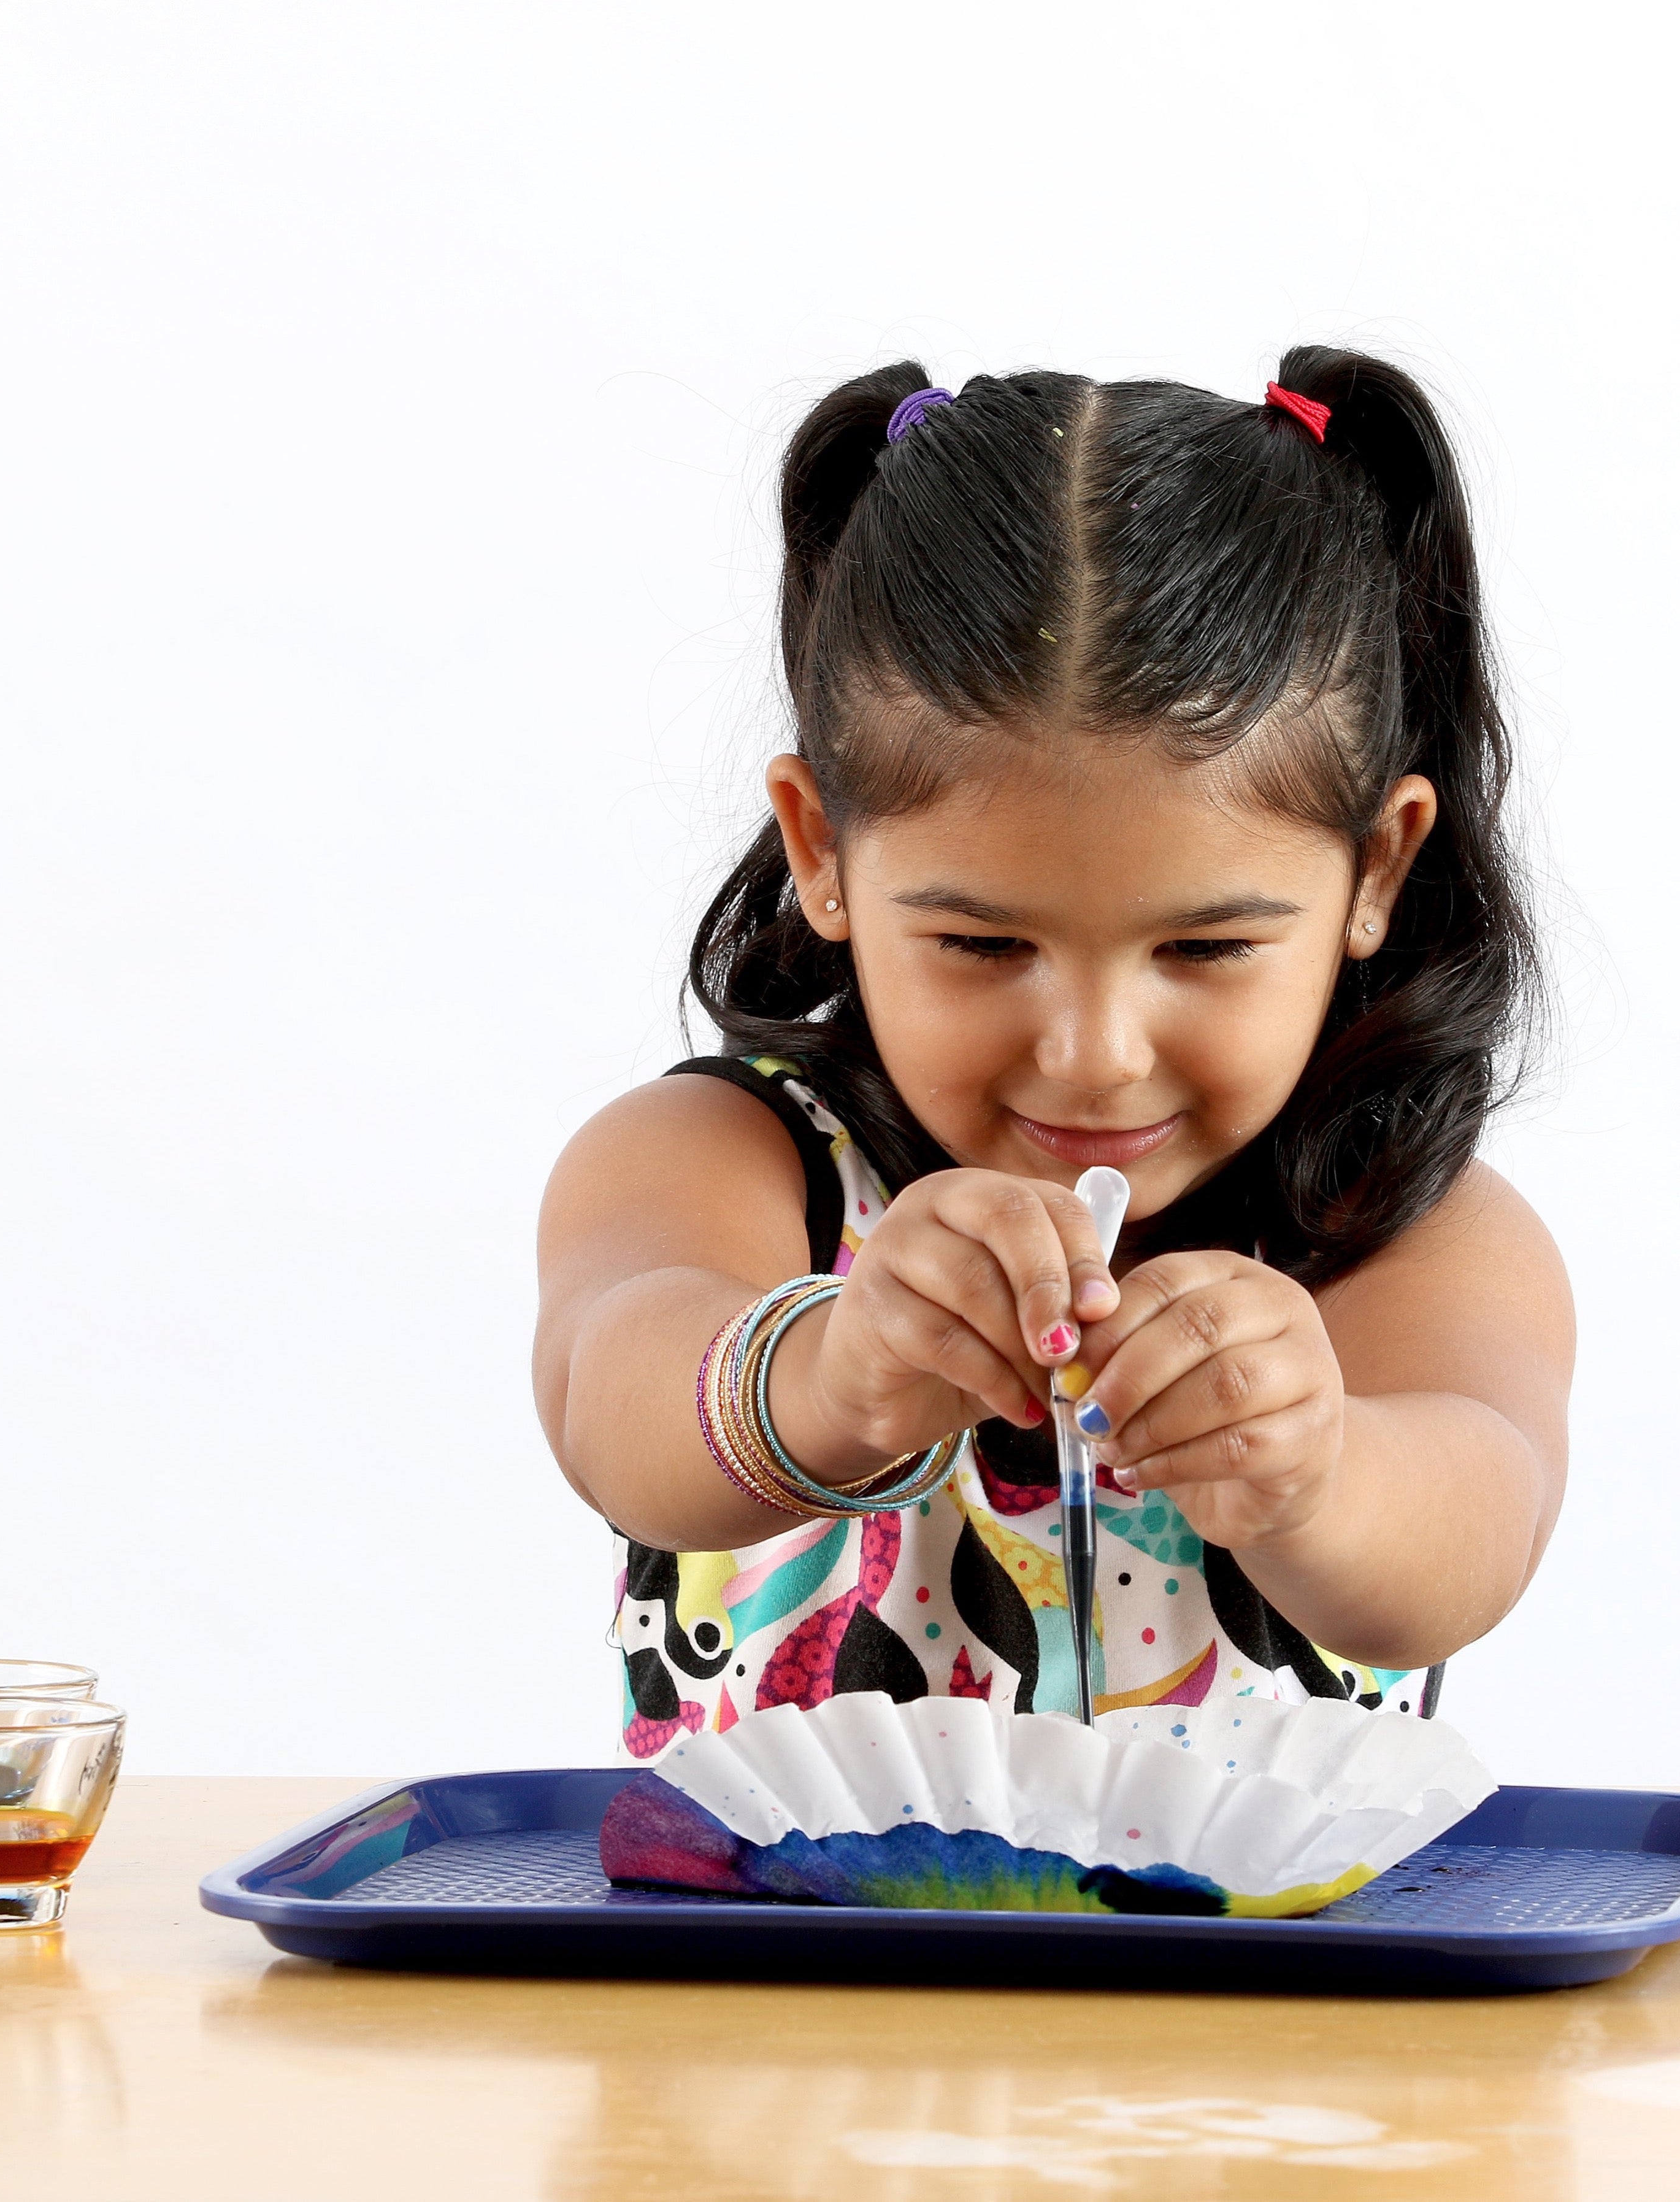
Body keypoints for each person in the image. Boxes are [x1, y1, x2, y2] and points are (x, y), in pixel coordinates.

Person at [536, 349, 1573, 1760]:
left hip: (1273, 1988)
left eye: (1207, 951)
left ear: (1375, 872)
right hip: (776, 1978)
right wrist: (831, 1373)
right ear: (821, 854)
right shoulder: (721, 1161)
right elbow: (615, 1403)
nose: (1093, 1058)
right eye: (981, 946)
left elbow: (1474, 1535)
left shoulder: (1400, 1223)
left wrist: (1316, 1469)